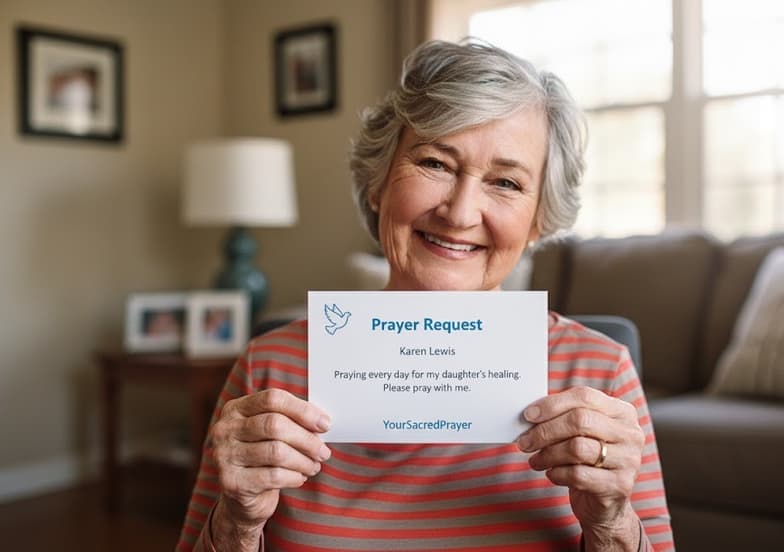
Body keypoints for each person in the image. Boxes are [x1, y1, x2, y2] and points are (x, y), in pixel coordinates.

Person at [176, 40, 674, 551]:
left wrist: (610, 522)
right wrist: (238, 522)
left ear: (539, 220)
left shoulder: (602, 374)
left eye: (505, 182)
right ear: (378, 183)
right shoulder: (270, 367)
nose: (459, 213)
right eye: (435, 163)